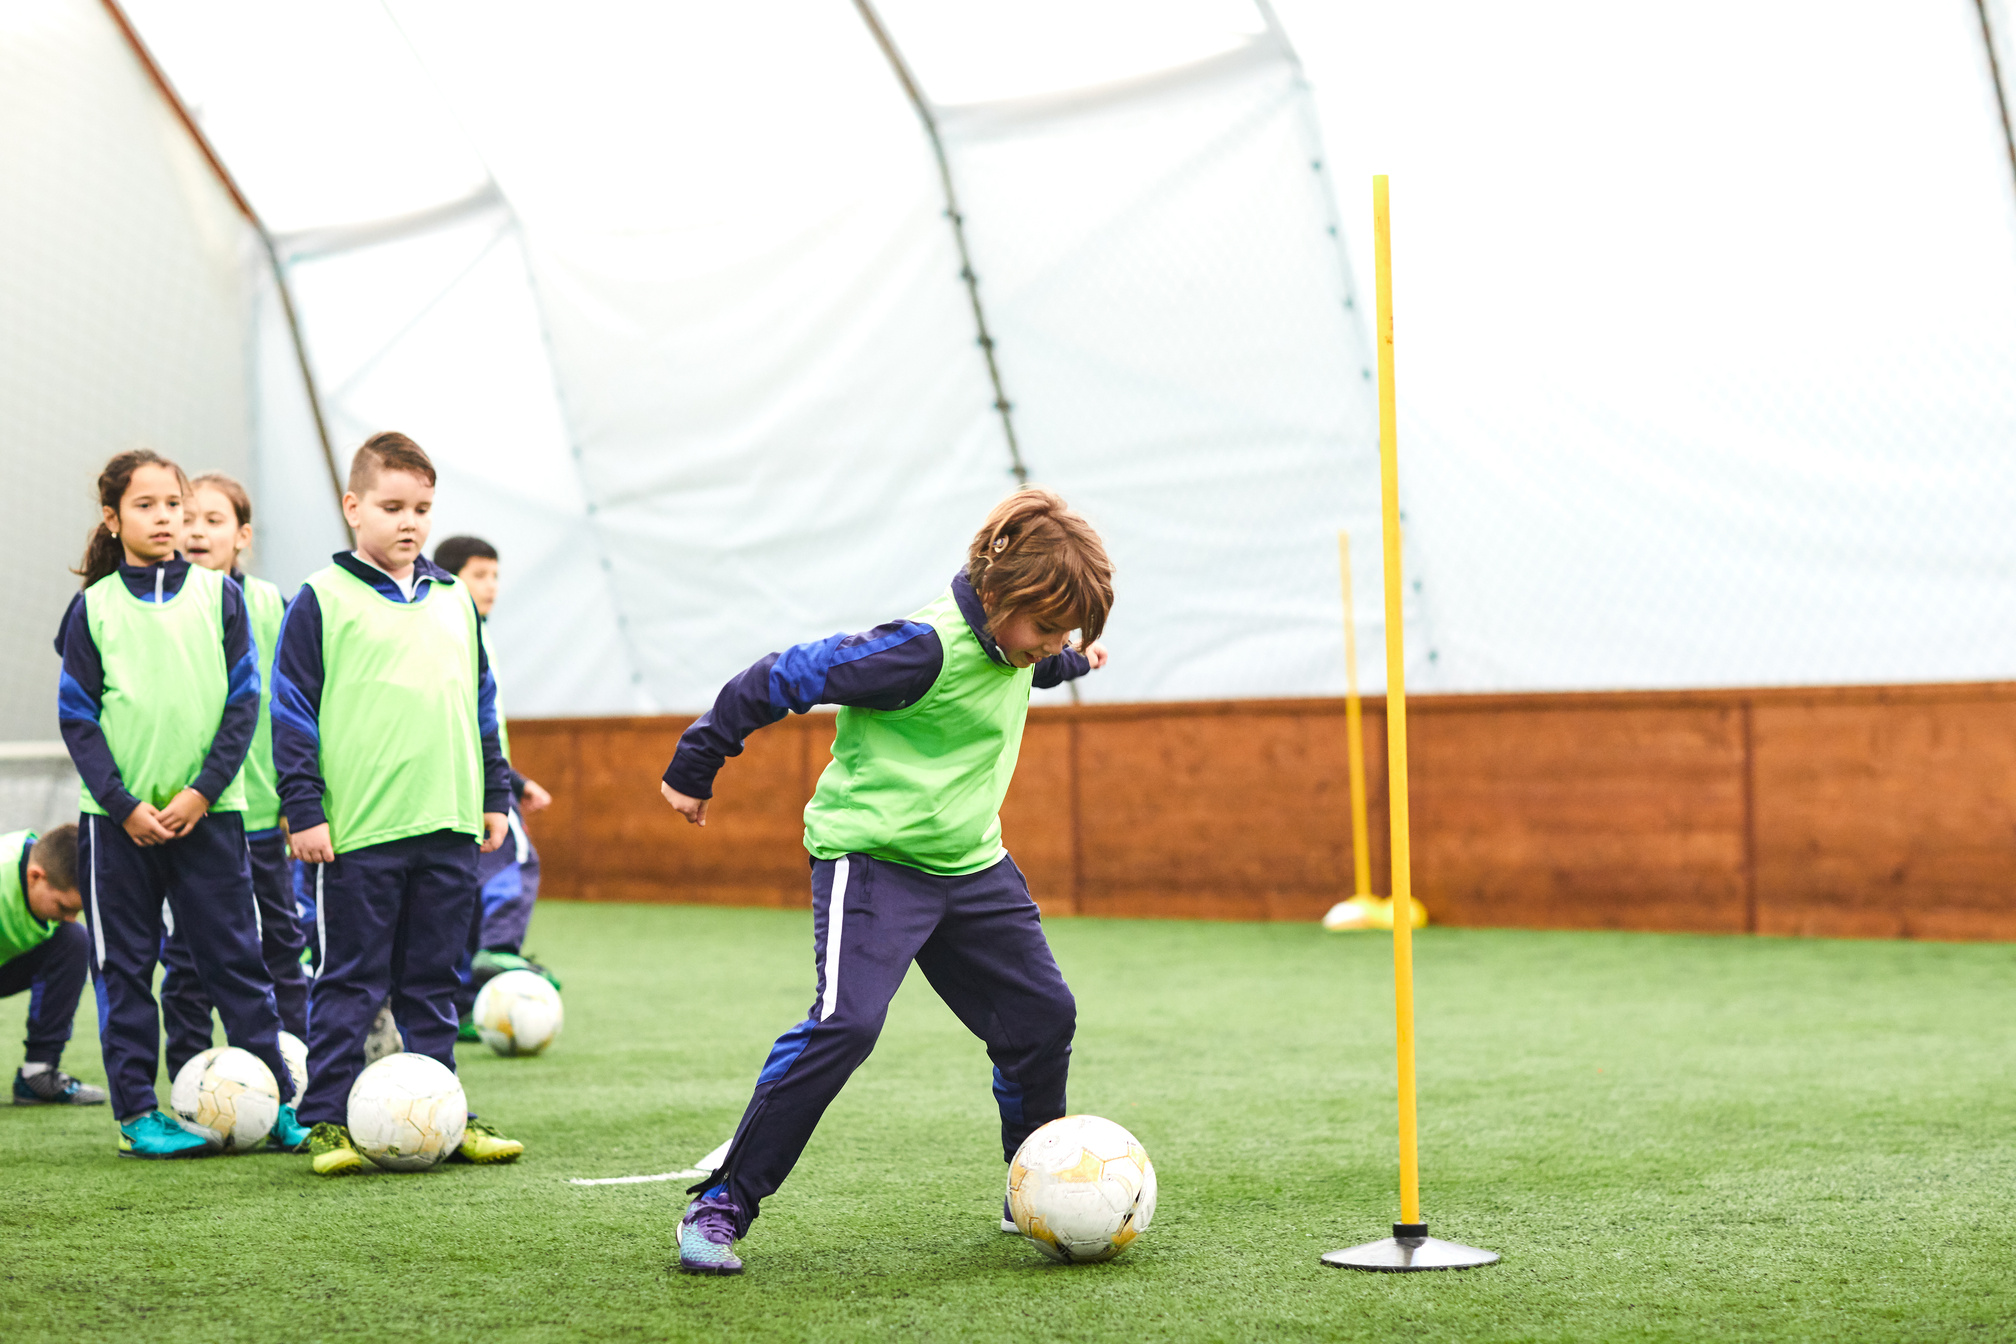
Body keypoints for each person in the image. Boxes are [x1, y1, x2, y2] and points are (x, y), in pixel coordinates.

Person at [658, 486, 1113, 1276]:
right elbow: (777, 677)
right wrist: (698, 763)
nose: (1053, 643)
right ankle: (723, 1203)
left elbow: (1012, 672)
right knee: (846, 1025)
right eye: (1048, 627)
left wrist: (1067, 658)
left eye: (1065, 632)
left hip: (972, 865)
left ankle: (1032, 1187)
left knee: (1043, 1018)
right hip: (872, 863)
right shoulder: (916, 649)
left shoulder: (1013, 647)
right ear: (1000, 595)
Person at [272, 432, 526, 1176]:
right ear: (354, 508)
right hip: (359, 831)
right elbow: (291, 711)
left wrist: (493, 794)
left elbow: (482, 704)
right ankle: (323, 1118)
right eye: (391, 506)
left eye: (421, 508)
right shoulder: (321, 597)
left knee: (434, 979)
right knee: (350, 977)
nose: (409, 521)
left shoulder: (455, 599)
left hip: (447, 822)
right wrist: (304, 808)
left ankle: (442, 1109)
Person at [55, 449, 306, 1158]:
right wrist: (124, 804)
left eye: (175, 505)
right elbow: (78, 718)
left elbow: (243, 704)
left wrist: (202, 792)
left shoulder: (219, 596)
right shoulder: (92, 610)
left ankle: (282, 1102)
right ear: (112, 518)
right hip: (116, 828)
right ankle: (139, 1113)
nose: (166, 518)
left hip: (211, 817)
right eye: (147, 506)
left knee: (238, 962)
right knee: (127, 969)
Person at [158, 473, 310, 1081]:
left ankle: (298, 1072)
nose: (197, 531)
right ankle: (193, 1079)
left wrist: (299, 794)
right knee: (189, 955)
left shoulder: (273, 603)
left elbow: (293, 702)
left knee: (279, 944)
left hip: (260, 812)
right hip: (195, 814)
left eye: (213, 520)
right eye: (187, 518)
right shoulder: (165, 602)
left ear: (241, 536)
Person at [431, 534, 561, 1036]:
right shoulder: (456, 633)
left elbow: (483, 722)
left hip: (485, 772)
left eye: (495, 575)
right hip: (474, 779)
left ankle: (462, 999)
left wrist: (519, 778)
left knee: (462, 885)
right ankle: (500, 949)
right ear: (448, 581)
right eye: (478, 575)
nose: (491, 586)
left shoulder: (475, 633)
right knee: (519, 857)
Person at [2, 826, 106, 1106]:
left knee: (73, 939)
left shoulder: (51, 865)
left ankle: (38, 1075)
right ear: (36, 876)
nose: (70, 917)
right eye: (63, 907)